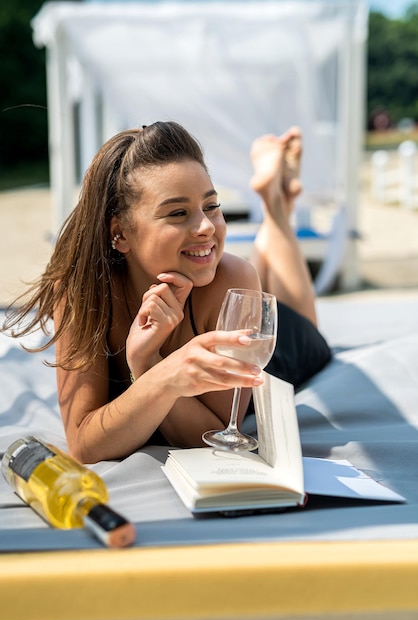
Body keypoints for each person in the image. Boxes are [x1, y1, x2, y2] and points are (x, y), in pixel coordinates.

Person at [2, 121, 330, 463]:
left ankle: (278, 211)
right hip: (222, 307)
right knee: (254, 285)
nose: (205, 226)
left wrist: (148, 365)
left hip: (275, 352)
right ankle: (275, 205)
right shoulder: (82, 290)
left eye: (212, 206)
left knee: (299, 321)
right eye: (178, 213)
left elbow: (212, 434)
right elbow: (84, 444)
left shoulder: (232, 278)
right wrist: (162, 375)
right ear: (121, 234)